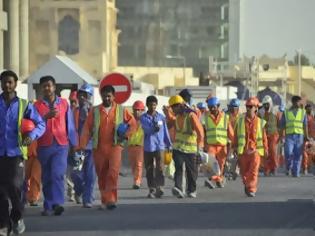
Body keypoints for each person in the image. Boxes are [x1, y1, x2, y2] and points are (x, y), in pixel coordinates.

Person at [0, 70, 45, 235]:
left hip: (16, 152)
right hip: (0, 153)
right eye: (4, 82)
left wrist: (31, 136)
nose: (7, 85)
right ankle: (3, 224)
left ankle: (17, 217)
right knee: (1, 192)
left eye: (10, 82)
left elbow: (40, 124)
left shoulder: (24, 105)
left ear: (15, 84)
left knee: (15, 187)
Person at [80, 84, 135, 210]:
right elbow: (87, 129)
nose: (107, 99)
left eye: (109, 96)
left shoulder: (122, 110)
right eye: (104, 96)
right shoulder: (94, 111)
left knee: (113, 173)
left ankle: (111, 199)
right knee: (102, 175)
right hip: (98, 147)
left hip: (115, 146)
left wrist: (126, 135)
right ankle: (105, 199)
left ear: (114, 97)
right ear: (101, 96)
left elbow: (133, 124)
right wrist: (82, 145)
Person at [34, 76, 78, 216]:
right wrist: (45, 117)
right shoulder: (36, 106)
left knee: (57, 174)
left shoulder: (64, 103)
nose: (47, 88)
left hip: (61, 144)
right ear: (41, 88)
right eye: (44, 86)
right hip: (44, 144)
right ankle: (48, 205)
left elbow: (70, 124)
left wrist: (74, 144)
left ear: (54, 87)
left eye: (49, 85)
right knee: (47, 176)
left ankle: (58, 203)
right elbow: (33, 124)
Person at [167, 95, 204, 198]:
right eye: (172, 107)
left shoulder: (191, 116)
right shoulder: (177, 117)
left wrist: (200, 147)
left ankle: (192, 190)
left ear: (181, 105)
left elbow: (200, 132)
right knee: (178, 168)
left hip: (191, 149)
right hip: (178, 148)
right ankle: (178, 188)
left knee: (191, 172)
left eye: (175, 106)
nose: (173, 109)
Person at [234, 97, 268, 197]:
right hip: (243, 151)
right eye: (247, 106)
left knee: (253, 171)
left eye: (250, 106)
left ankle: (252, 188)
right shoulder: (240, 121)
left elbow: (264, 137)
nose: (248, 108)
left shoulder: (260, 122)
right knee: (244, 172)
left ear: (256, 108)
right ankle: (247, 185)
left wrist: (265, 149)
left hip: (255, 151)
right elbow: (235, 136)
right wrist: (234, 147)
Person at [140, 96, 172, 198]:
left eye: (154, 105)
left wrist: (169, 144)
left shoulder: (161, 117)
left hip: (160, 146)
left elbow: (165, 131)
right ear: (147, 105)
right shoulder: (143, 118)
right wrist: (154, 128)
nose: (152, 107)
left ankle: (160, 187)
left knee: (160, 167)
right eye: (150, 105)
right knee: (149, 169)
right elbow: (147, 130)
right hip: (149, 146)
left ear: (156, 105)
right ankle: (151, 188)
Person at [70, 84, 96, 208]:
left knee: (90, 175)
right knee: (77, 174)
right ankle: (79, 190)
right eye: (80, 94)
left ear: (89, 97)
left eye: (85, 95)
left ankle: (88, 199)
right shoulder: (74, 111)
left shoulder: (95, 111)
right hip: (79, 149)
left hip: (91, 148)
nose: (82, 97)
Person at [203, 97, 234, 189]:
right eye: (210, 107)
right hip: (211, 145)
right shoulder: (206, 117)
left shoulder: (225, 117)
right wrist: (202, 144)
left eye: (214, 107)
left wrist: (235, 143)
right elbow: (202, 131)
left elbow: (231, 132)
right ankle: (214, 179)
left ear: (218, 106)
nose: (212, 109)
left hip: (222, 146)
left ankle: (218, 180)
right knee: (211, 163)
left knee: (221, 165)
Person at [279, 96, 309, 177]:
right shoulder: (286, 112)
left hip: (300, 136)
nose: (300, 103)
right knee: (288, 152)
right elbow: (282, 126)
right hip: (289, 136)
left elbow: (305, 125)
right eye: (298, 102)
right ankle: (289, 167)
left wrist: (306, 136)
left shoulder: (303, 112)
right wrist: (281, 136)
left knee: (298, 154)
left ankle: (296, 172)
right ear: (294, 102)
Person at [260, 95, 280, 176]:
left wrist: (280, 135)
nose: (266, 106)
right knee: (265, 152)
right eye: (264, 104)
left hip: (273, 135)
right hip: (264, 135)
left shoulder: (275, 111)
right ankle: (266, 169)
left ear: (270, 103)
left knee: (272, 151)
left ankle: (274, 168)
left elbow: (279, 123)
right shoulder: (260, 112)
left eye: (267, 104)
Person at [128, 101, 145, 189]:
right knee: (133, 165)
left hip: (140, 146)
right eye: (136, 110)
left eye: (139, 110)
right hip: (130, 146)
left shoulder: (145, 120)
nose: (137, 112)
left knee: (139, 164)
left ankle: (137, 182)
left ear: (143, 110)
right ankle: (137, 179)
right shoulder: (129, 120)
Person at [25, 140, 41, 207]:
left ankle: (33, 198)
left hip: (39, 152)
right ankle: (24, 196)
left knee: (35, 176)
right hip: (24, 152)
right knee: (24, 177)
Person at [302, 104, 315, 174]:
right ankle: (305, 168)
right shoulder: (305, 117)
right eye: (308, 108)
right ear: (306, 109)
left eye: (311, 108)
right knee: (305, 154)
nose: (310, 110)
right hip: (306, 138)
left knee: (311, 154)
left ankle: (308, 167)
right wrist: (305, 136)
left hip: (312, 139)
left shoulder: (312, 117)